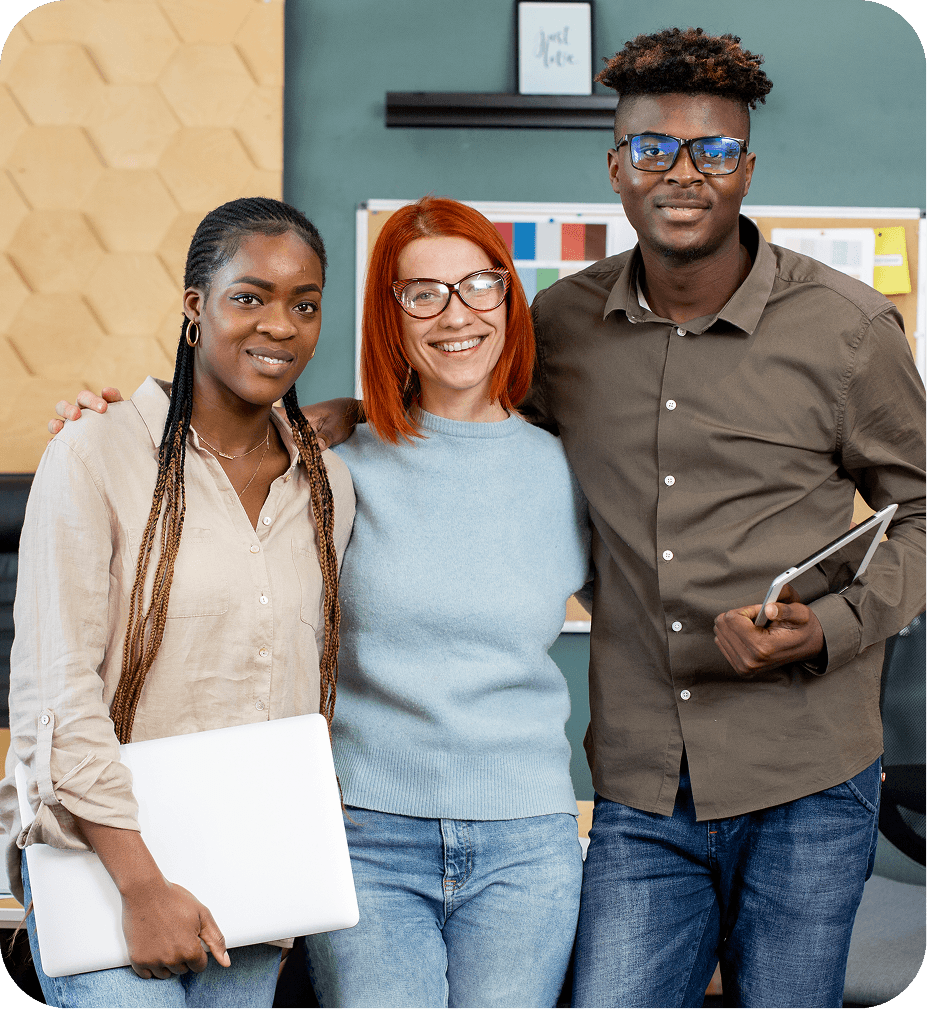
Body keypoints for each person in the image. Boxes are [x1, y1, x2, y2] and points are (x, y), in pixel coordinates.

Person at [50, 197, 591, 1009]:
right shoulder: (331, 465)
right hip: (362, 831)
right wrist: (109, 431)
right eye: (423, 293)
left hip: (530, 839)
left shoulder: (569, 468)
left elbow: (654, 603)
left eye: (480, 284)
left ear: (509, 298)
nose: (457, 313)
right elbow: (211, 455)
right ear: (390, 315)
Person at [523, 27, 926, 1009]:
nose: (684, 173)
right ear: (617, 166)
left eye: (715, 149)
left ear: (747, 166)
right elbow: (470, 442)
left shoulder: (845, 328)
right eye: (655, 148)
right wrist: (339, 420)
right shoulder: (559, 327)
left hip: (811, 777)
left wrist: (826, 627)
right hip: (640, 780)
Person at [2, 197, 355, 1009]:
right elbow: (58, 691)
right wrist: (141, 884)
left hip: (252, 881)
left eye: (304, 303)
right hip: (109, 869)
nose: (280, 324)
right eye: (249, 296)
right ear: (195, 305)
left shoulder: (327, 486)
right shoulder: (94, 453)